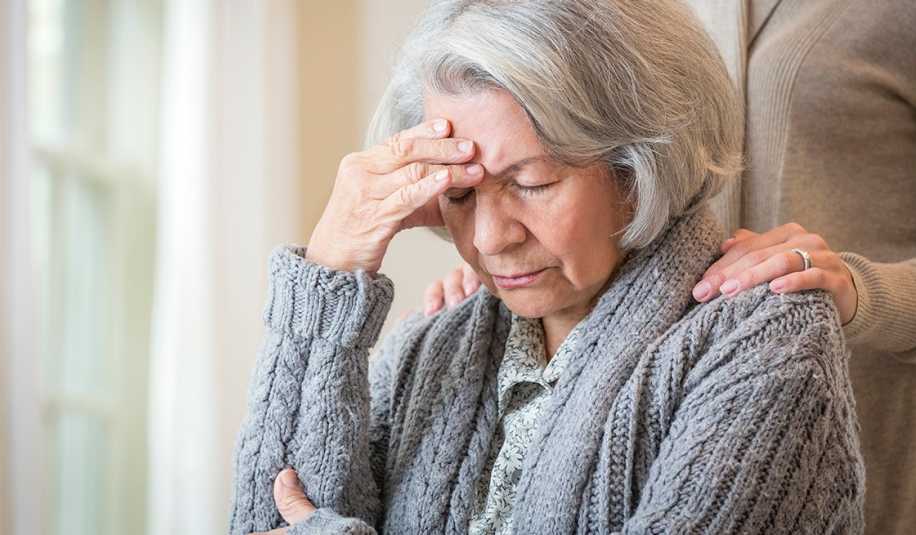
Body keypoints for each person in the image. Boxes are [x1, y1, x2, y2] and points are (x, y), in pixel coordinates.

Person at [228, 1, 865, 533]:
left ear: (638, 165)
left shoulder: (765, 347)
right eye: (459, 193)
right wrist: (331, 271)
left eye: (530, 184)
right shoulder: (428, 348)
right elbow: (269, 515)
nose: (489, 239)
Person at [427, 1, 916, 533]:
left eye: (535, 183)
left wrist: (864, 293)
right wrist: (510, 269)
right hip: (632, 341)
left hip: (827, 424)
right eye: (461, 194)